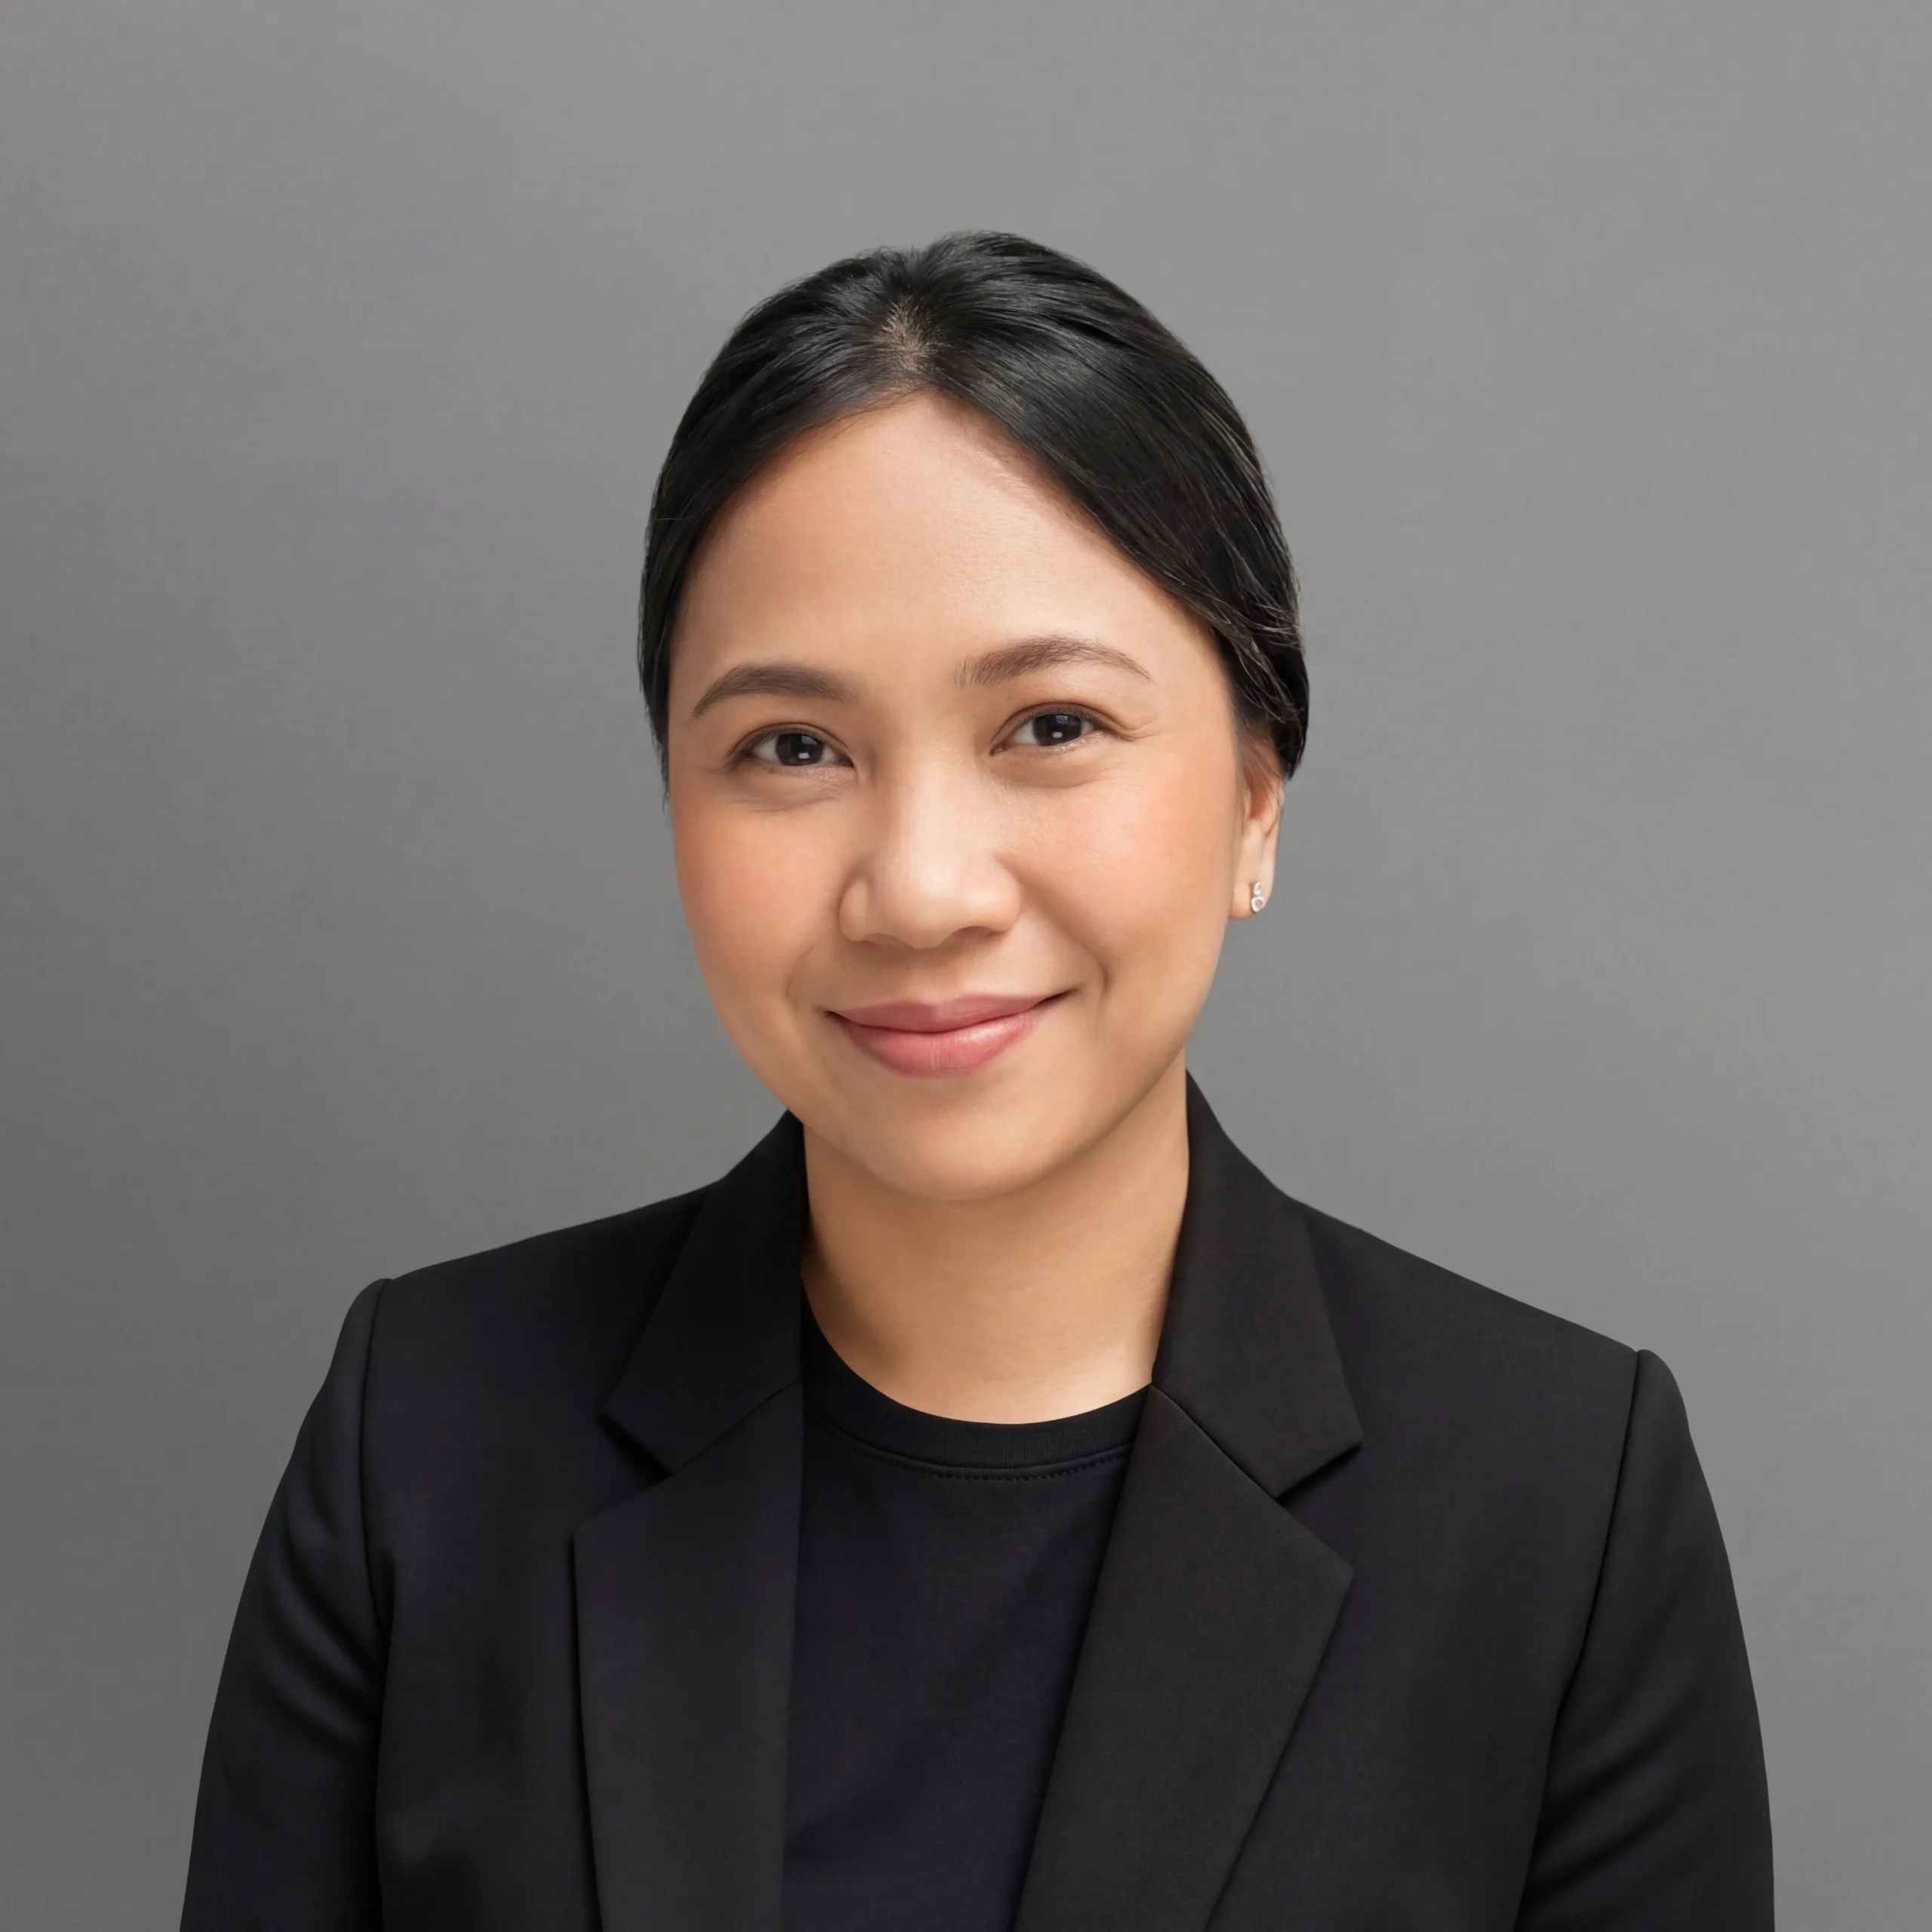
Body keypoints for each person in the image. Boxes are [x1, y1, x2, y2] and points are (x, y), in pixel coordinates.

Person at [181, 232, 1773, 1930]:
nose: (923, 889)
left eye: (1050, 726)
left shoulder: (1557, 1500)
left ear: (1255, 795)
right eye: (793, 747)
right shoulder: (426, 1436)